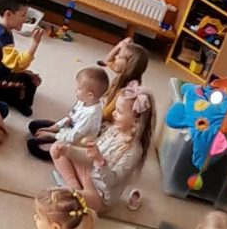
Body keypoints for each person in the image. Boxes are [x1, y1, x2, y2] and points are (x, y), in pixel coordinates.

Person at [50, 85, 155, 214]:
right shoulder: (113, 131)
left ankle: (76, 193)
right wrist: (67, 150)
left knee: (65, 200)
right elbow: (88, 156)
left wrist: (99, 160)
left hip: (100, 195)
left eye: (119, 112)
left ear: (136, 120)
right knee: (56, 147)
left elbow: (110, 182)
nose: (113, 113)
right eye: (115, 109)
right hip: (89, 175)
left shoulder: (134, 151)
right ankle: (73, 186)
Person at [26, 65, 108, 161]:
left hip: (73, 143)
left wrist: (51, 135)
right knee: (34, 125)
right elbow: (70, 118)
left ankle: (59, 154)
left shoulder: (90, 115)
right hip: (67, 130)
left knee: (32, 145)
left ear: (90, 95)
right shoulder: (83, 99)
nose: (75, 89)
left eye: (79, 88)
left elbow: (72, 138)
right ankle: (50, 137)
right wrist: (53, 128)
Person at [0, 0, 44, 116]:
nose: (25, 19)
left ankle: (11, 95)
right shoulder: (1, 37)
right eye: (23, 15)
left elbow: (10, 63)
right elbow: (19, 63)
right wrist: (35, 43)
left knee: (28, 76)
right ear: (8, 14)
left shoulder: (0, 28)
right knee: (29, 82)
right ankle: (18, 101)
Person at [99, 37, 149, 121]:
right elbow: (108, 60)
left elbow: (106, 115)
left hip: (110, 121)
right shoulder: (123, 74)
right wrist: (120, 45)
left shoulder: (126, 92)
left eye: (119, 56)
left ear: (128, 65)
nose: (115, 56)